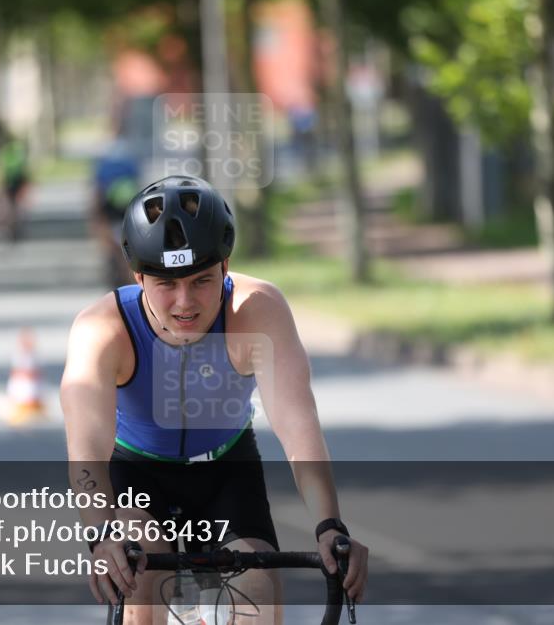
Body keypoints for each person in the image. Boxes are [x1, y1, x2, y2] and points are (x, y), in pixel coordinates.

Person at [60, 176, 368, 624]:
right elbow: (86, 448)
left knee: (258, 589)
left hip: (225, 471)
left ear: (226, 266)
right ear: (138, 275)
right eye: (166, 284)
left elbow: (297, 425)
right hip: (138, 476)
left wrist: (329, 525)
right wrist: (101, 535)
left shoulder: (256, 311)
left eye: (201, 280)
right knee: (138, 574)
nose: (186, 302)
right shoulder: (102, 330)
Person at [90, 140, 141, 289]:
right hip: (127, 208)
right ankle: (128, 276)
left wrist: (94, 218)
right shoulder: (129, 165)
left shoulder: (103, 167)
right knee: (124, 248)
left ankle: (119, 268)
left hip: (111, 209)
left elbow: (97, 194)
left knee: (110, 243)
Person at [0, 133, 31, 241]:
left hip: (12, 181)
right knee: (13, 205)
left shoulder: (6, 152)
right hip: (16, 180)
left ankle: (11, 225)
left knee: (10, 205)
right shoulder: (17, 150)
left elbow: (2, 170)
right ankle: (12, 225)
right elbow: (23, 168)